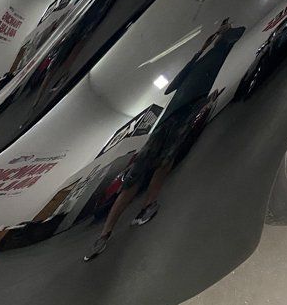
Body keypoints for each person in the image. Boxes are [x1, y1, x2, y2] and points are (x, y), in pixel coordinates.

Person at [84, 18, 246, 260]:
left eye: (222, 31)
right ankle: (105, 233)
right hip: (170, 118)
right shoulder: (202, 57)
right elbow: (171, 87)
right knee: (136, 173)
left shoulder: (225, 49)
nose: (219, 34)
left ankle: (147, 206)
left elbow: (240, 32)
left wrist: (225, 32)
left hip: (187, 115)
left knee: (165, 162)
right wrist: (200, 51)